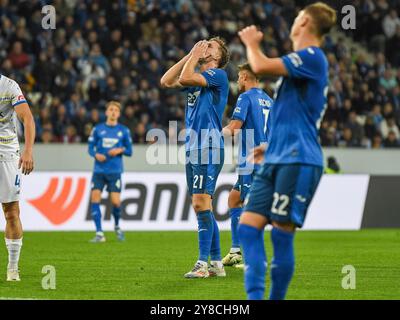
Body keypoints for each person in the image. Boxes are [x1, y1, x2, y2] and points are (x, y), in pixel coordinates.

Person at [237, 2, 336, 299]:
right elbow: (297, 113)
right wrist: (272, 145)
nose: (293, 22)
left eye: (296, 17)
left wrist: (252, 44)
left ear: (304, 22)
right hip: (279, 156)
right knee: (247, 228)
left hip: (299, 159)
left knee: (281, 235)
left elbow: (260, 66)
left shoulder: (313, 56)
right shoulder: (303, 64)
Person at [160, 37, 230, 278]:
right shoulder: (196, 79)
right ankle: (217, 263)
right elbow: (167, 80)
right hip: (193, 148)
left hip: (209, 147)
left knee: (200, 203)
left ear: (218, 57)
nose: (204, 46)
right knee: (204, 206)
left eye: (210, 46)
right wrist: (190, 54)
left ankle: (202, 264)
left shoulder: (218, 75)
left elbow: (185, 78)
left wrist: (192, 58)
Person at [222, 63, 273, 268]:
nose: (237, 81)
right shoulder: (270, 100)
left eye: (239, 77)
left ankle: (255, 258)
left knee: (251, 209)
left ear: (244, 77)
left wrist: (212, 135)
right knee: (234, 198)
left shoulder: (245, 97)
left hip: (250, 161)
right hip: (265, 159)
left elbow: (234, 127)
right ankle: (236, 251)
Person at [0, 74, 35, 281]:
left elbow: (27, 118)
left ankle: (12, 268)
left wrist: (28, 151)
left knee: (11, 212)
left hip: (6, 154)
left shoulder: (9, 86)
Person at [88, 101, 133, 243]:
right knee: (95, 198)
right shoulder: (97, 129)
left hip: (115, 171)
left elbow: (130, 151)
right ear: (106, 112)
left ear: (119, 114)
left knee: (116, 202)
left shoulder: (124, 131)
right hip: (99, 170)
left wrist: (120, 150)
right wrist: (96, 155)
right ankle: (99, 233)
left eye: (116, 110)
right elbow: (90, 148)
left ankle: (117, 226)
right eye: (111, 109)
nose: (113, 112)